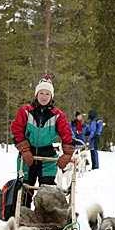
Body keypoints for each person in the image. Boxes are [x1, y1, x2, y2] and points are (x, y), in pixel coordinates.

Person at [10, 75, 75, 208]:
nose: (44, 96)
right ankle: (22, 216)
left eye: (47, 93)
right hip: (27, 156)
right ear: (36, 94)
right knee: (24, 190)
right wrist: (25, 150)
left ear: (51, 96)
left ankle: (44, 218)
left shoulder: (57, 115)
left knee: (48, 192)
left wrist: (67, 154)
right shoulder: (25, 112)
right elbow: (16, 130)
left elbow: (67, 134)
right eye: (41, 93)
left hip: (47, 157)